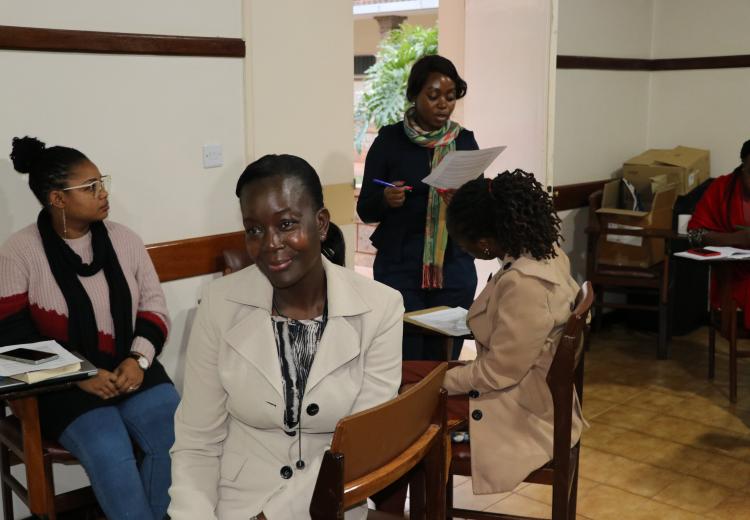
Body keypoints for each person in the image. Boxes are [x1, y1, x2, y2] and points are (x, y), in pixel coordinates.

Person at [169, 154, 403, 520]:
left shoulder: (381, 308)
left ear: (321, 223)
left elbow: (359, 447)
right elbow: (197, 441)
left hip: (330, 504)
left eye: (286, 224)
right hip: (237, 505)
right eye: (254, 230)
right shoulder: (219, 303)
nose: (270, 243)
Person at [0, 136, 179, 520]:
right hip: (60, 385)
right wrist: (80, 373)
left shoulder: (125, 240)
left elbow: (154, 307)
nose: (103, 193)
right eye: (90, 187)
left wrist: (138, 360)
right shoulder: (19, 252)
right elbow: (12, 338)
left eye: (102, 182)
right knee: (110, 451)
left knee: (173, 435)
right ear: (57, 199)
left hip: (130, 368)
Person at [404, 170, 584, 494]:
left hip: (516, 406)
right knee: (398, 375)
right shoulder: (546, 253)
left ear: (485, 244)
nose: (463, 249)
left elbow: (497, 373)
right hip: (524, 387)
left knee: (399, 407)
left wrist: (435, 384)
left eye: (463, 243)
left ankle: (396, 506)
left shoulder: (526, 284)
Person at [357, 54, 479, 361]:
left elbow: (481, 210)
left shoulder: (464, 142)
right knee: (406, 359)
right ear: (414, 94)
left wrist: (463, 202)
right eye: (433, 96)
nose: (443, 105)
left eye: (450, 96)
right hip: (400, 269)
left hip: (454, 269)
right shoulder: (390, 140)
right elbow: (365, 209)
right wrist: (385, 200)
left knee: (443, 362)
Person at [688, 139, 750, 328]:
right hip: (732, 271)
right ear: (743, 164)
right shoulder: (722, 188)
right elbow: (694, 235)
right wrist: (735, 239)